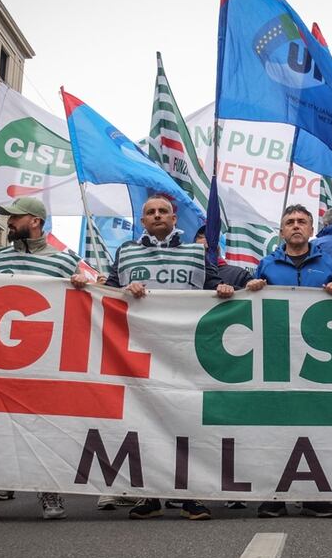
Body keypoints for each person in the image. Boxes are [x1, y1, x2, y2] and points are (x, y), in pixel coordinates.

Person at [0, 197, 89, 522]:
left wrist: (84, 285)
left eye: (16, 217)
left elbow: (89, 301)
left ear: (35, 221)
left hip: (45, 360)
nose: (9, 222)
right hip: (0, 359)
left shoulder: (66, 261)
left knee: (44, 427)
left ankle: (49, 491)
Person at [99, 195, 233, 521]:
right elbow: (108, 292)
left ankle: (189, 496)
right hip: (140, 352)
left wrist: (226, 290)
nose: (157, 215)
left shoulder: (196, 252)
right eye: (151, 212)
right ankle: (151, 496)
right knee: (145, 423)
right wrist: (119, 289)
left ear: (174, 219)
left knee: (186, 423)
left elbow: (214, 284)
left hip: (185, 352)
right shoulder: (126, 252)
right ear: (142, 221)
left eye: (163, 211)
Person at [246, 204, 332, 518]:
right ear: (282, 231)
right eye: (290, 222)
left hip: (316, 362)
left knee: (316, 427)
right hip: (276, 359)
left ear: (312, 230)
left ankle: (314, 496)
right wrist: (252, 290)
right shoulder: (266, 265)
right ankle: (274, 496)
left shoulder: (329, 265)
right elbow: (248, 308)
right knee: (275, 428)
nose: (296, 226)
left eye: (302, 221)